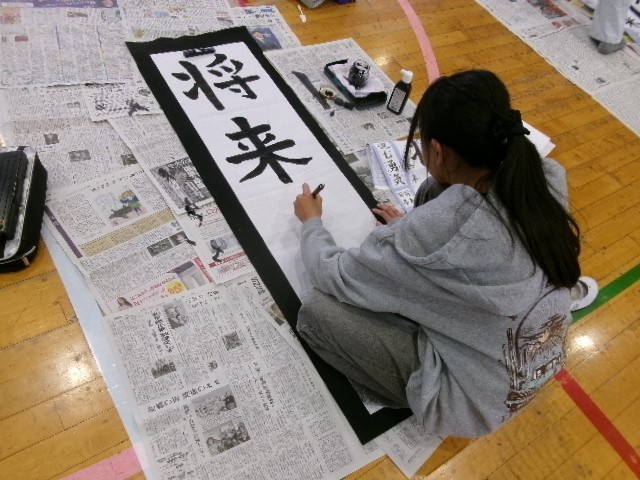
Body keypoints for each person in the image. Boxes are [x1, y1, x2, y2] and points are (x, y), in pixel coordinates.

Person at [292, 70, 583, 437]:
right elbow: (458, 230)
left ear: (438, 151)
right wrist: (415, 232)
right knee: (432, 192)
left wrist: (311, 222)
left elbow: (332, 275)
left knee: (316, 312)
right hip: (532, 362)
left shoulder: (436, 234)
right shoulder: (542, 177)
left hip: (473, 401)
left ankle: (420, 397)